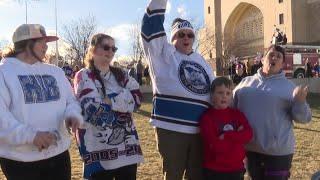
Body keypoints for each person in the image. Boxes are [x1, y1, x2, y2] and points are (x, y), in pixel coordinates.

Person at [141, 0, 215, 179]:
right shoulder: (162, 54)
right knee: (173, 174)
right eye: (181, 34)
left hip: (200, 129)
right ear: (172, 38)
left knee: (197, 175)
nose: (186, 38)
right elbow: (150, 28)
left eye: (190, 35)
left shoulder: (202, 61)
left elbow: (216, 91)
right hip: (172, 128)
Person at [0, 24, 83, 180]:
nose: (46, 46)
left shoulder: (55, 71)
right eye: (41, 41)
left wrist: (72, 115)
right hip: (21, 161)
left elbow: (71, 101)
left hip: (59, 155)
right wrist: (32, 136)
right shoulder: (4, 72)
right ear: (26, 43)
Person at [234, 45, 312, 180]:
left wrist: (300, 102)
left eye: (279, 56)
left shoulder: (289, 88)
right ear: (263, 59)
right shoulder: (245, 84)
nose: (274, 57)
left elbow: (304, 118)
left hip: (278, 153)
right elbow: (230, 110)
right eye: (271, 54)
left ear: (282, 63)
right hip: (250, 151)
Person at [73, 33, 143, 180]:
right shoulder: (84, 75)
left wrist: (110, 101)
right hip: (99, 152)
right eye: (106, 47)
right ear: (93, 49)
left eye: (113, 48)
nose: (110, 52)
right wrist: (124, 99)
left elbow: (137, 98)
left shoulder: (121, 74)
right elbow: (94, 112)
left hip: (127, 151)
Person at [200, 77, 253, 180]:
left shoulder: (237, 114)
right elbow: (215, 146)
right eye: (220, 92)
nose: (224, 96)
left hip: (236, 169)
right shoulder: (207, 118)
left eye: (228, 93)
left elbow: (248, 135)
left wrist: (227, 135)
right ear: (212, 95)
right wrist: (238, 137)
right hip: (214, 170)